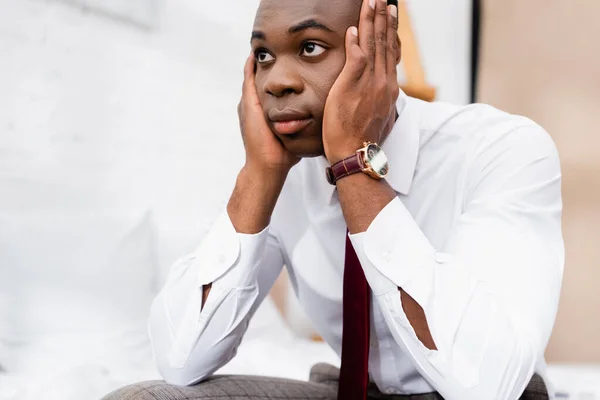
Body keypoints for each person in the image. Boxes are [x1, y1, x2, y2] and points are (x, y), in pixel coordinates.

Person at [104, 0, 563, 398]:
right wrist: (259, 175)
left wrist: (353, 163)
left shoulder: (501, 149)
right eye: (263, 55)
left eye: (310, 47)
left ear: (386, 49)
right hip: (353, 389)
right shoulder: (285, 172)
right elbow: (181, 360)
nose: (276, 81)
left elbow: (486, 383)